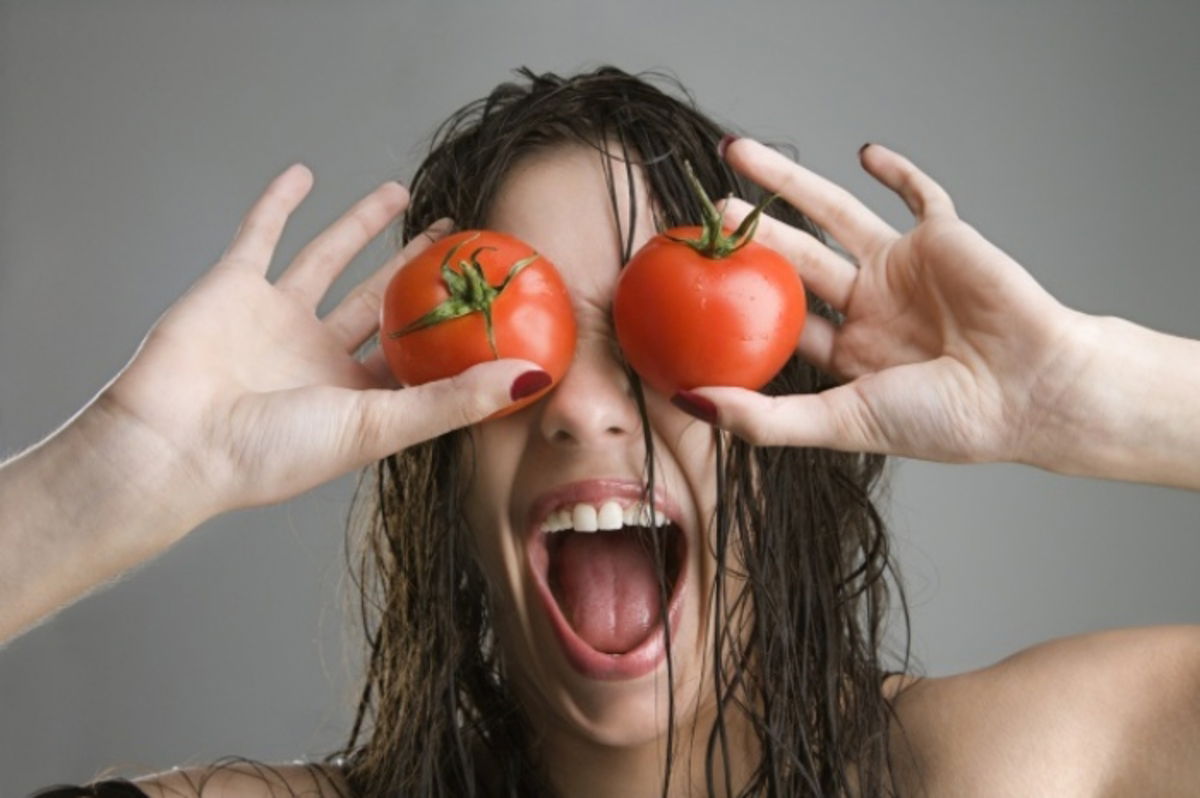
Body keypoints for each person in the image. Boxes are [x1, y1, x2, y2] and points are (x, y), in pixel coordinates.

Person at [10, 66, 1199, 797]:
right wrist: (109, 481)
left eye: (663, 334)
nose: (581, 405)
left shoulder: (1014, 770)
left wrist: (1099, 396)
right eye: (500, 350)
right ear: (439, 477)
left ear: (778, 431)